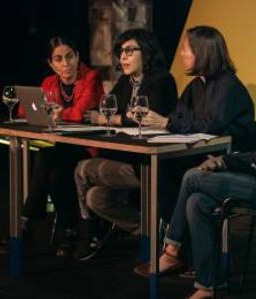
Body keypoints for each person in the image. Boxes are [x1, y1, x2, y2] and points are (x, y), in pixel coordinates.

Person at [135, 33, 256, 299]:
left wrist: (225, 161)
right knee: (197, 203)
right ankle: (208, 286)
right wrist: (226, 162)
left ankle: (171, 251)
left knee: (192, 177)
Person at [72, 28, 178, 260]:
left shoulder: (162, 80)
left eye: (130, 51)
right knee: (96, 198)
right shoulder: (126, 82)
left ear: (147, 52)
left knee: (82, 169)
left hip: (149, 164)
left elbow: (150, 117)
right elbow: (106, 110)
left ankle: (88, 235)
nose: (123, 57)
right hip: (125, 157)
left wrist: (119, 117)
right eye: (121, 52)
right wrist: (120, 116)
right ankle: (151, 231)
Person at [0, 35, 104, 254]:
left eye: (70, 56)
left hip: (88, 148)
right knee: (55, 175)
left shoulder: (91, 77)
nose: (65, 63)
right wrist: (53, 114)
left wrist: (60, 114)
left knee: (44, 157)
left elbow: (81, 113)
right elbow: (25, 112)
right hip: (63, 148)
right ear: (51, 63)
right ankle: (70, 232)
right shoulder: (49, 83)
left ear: (78, 56)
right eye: (59, 59)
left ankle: (24, 224)